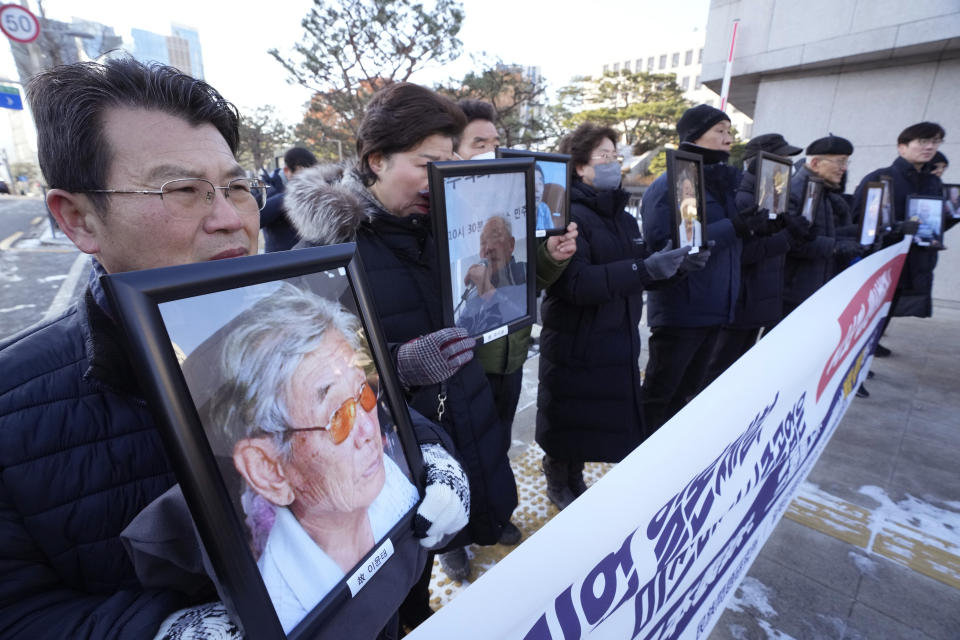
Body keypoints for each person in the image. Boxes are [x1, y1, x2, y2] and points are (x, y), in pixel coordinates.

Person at [0, 58, 467, 639]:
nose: (228, 220)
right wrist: (172, 630)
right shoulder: (13, 406)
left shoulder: (308, 307)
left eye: (237, 187)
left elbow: (378, 412)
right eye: (183, 190)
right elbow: (18, 610)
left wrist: (432, 458)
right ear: (78, 219)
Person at [285, 83, 518, 600]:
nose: (442, 176)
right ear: (376, 161)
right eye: (426, 162)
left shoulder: (450, 228)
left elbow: (489, 293)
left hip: (467, 412)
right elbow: (308, 379)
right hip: (383, 454)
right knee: (401, 584)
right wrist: (397, 366)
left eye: (451, 160)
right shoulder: (324, 253)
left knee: (464, 517)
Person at [204, 285, 425, 634]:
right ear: (268, 469)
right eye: (338, 414)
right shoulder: (282, 607)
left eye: (363, 392)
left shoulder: (390, 484)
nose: (369, 429)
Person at [536, 123, 704, 510]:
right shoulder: (566, 212)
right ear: (578, 166)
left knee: (592, 419)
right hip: (576, 338)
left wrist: (673, 268)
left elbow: (638, 272)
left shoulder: (623, 217)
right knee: (569, 417)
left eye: (616, 156)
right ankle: (558, 478)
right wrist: (645, 270)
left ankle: (574, 477)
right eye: (604, 157)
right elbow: (574, 284)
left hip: (617, 335)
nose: (614, 163)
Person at [453, 101, 578, 543]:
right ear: (454, 151)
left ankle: (493, 516)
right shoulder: (446, 215)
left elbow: (528, 284)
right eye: (479, 143)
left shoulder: (514, 205)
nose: (493, 151)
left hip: (510, 357)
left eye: (496, 142)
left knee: (499, 445)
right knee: (464, 450)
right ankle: (458, 537)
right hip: (466, 363)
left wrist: (553, 257)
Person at [640, 104, 747, 432]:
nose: (728, 139)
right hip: (682, 310)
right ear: (694, 135)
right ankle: (639, 459)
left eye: (730, 132)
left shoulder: (722, 182)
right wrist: (735, 226)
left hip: (716, 308)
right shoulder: (672, 183)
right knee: (660, 394)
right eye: (720, 131)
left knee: (687, 395)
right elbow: (668, 246)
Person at [701, 133, 810, 388]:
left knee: (738, 366)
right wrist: (786, 237)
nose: (787, 165)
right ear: (761, 161)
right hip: (743, 300)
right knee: (718, 370)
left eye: (788, 159)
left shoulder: (772, 194)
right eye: (781, 158)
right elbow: (742, 253)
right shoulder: (744, 197)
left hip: (759, 297)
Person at [853, 122, 951, 340]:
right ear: (902, 147)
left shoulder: (933, 182)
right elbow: (858, 221)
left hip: (914, 260)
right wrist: (897, 228)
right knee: (865, 317)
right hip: (882, 259)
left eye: (935, 142)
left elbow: (935, 220)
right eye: (923, 141)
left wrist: (936, 233)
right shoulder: (880, 177)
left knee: (887, 313)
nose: (929, 147)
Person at [457, 214, 528, 336]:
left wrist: (488, 292)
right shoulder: (475, 291)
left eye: (495, 237)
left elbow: (518, 317)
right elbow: (460, 331)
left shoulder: (523, 274)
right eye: (483, 242)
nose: (488, 247)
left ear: (511, 244)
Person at [260, 147, 318, 252]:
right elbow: (257, 217)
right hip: (277, 260)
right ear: (287, 171)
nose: (309, 179)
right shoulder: (268, 188)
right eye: (304, 174)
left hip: (305, 257)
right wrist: (291, 196)